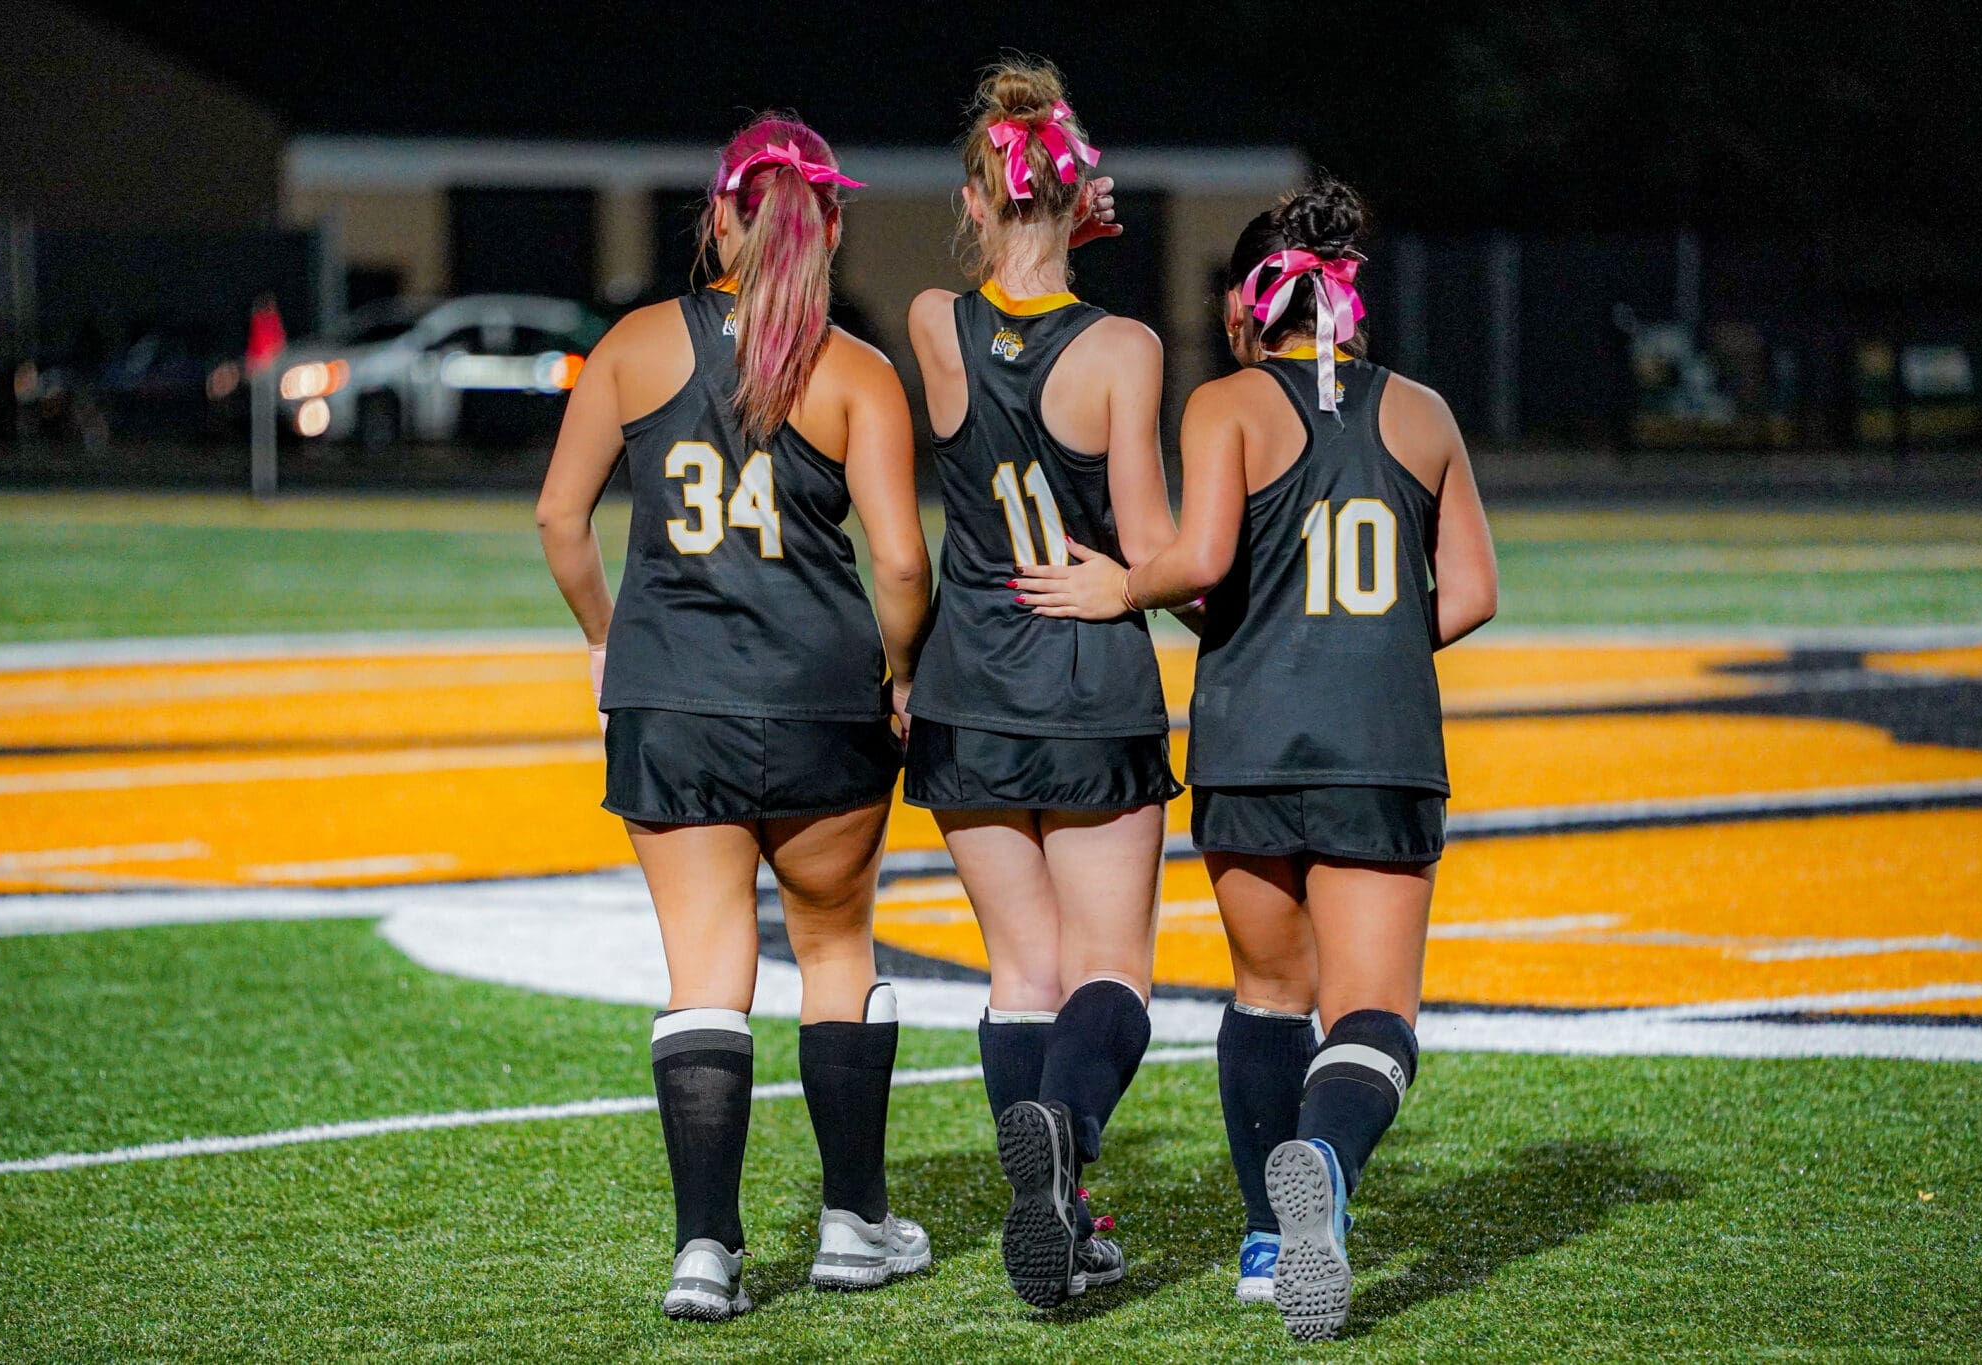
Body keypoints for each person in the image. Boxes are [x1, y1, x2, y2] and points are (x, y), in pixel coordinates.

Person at [1011, 178, 1498, 1340]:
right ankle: (1321, 1164)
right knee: (1371, 1011)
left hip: (1247, 741)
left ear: (1246, 306)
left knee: (1266, 994)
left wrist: (1122, 586)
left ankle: (1267, 1242)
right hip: (1378, 746)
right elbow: (1473, 592)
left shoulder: (1224, 404)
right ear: (1350, 303)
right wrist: (1370, 646)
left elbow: (1203, 562)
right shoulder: (1423, 413)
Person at [536, 115, 935, 1322]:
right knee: (835, 951)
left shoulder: (633, 345)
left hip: (671, 698)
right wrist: (900, 673)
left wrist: (605, 637)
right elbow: (901, 563)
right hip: (820, 700)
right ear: (828, 228)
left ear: (716, 216)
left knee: (705, 971)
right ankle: (852, 1224)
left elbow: (560, 522)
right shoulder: (855, 369)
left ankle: (705, 1251)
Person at [903, 58, 1177, 1308]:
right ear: (1078, 196)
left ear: (973, 199)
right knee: (1111, 972)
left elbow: (1001, 294)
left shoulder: (929, 322)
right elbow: (1150, 547)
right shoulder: (1124, 349)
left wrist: (1045, 228)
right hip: (1085, 685)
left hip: (964, 688)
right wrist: (1128, 583)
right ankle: (1062, 1146)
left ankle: (1052, 1217)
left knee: (1020, 974)